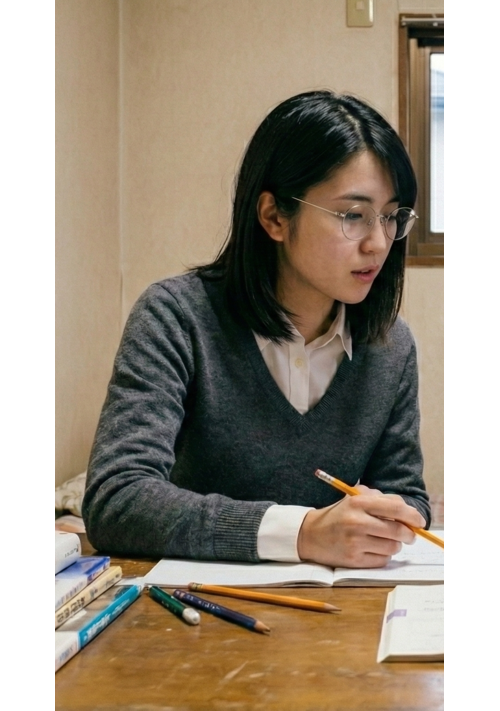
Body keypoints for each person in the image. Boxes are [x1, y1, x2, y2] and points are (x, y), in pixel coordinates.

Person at [82, 90, 430, 569]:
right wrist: (302, 533)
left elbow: (406, 492)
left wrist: (394, 515)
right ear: (274, 217)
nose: (378, 243)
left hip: (343, 608)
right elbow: (117, 500)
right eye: (353, 216)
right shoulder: (176, 317)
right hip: (194, 602)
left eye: (391, 217)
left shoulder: (391, 345)